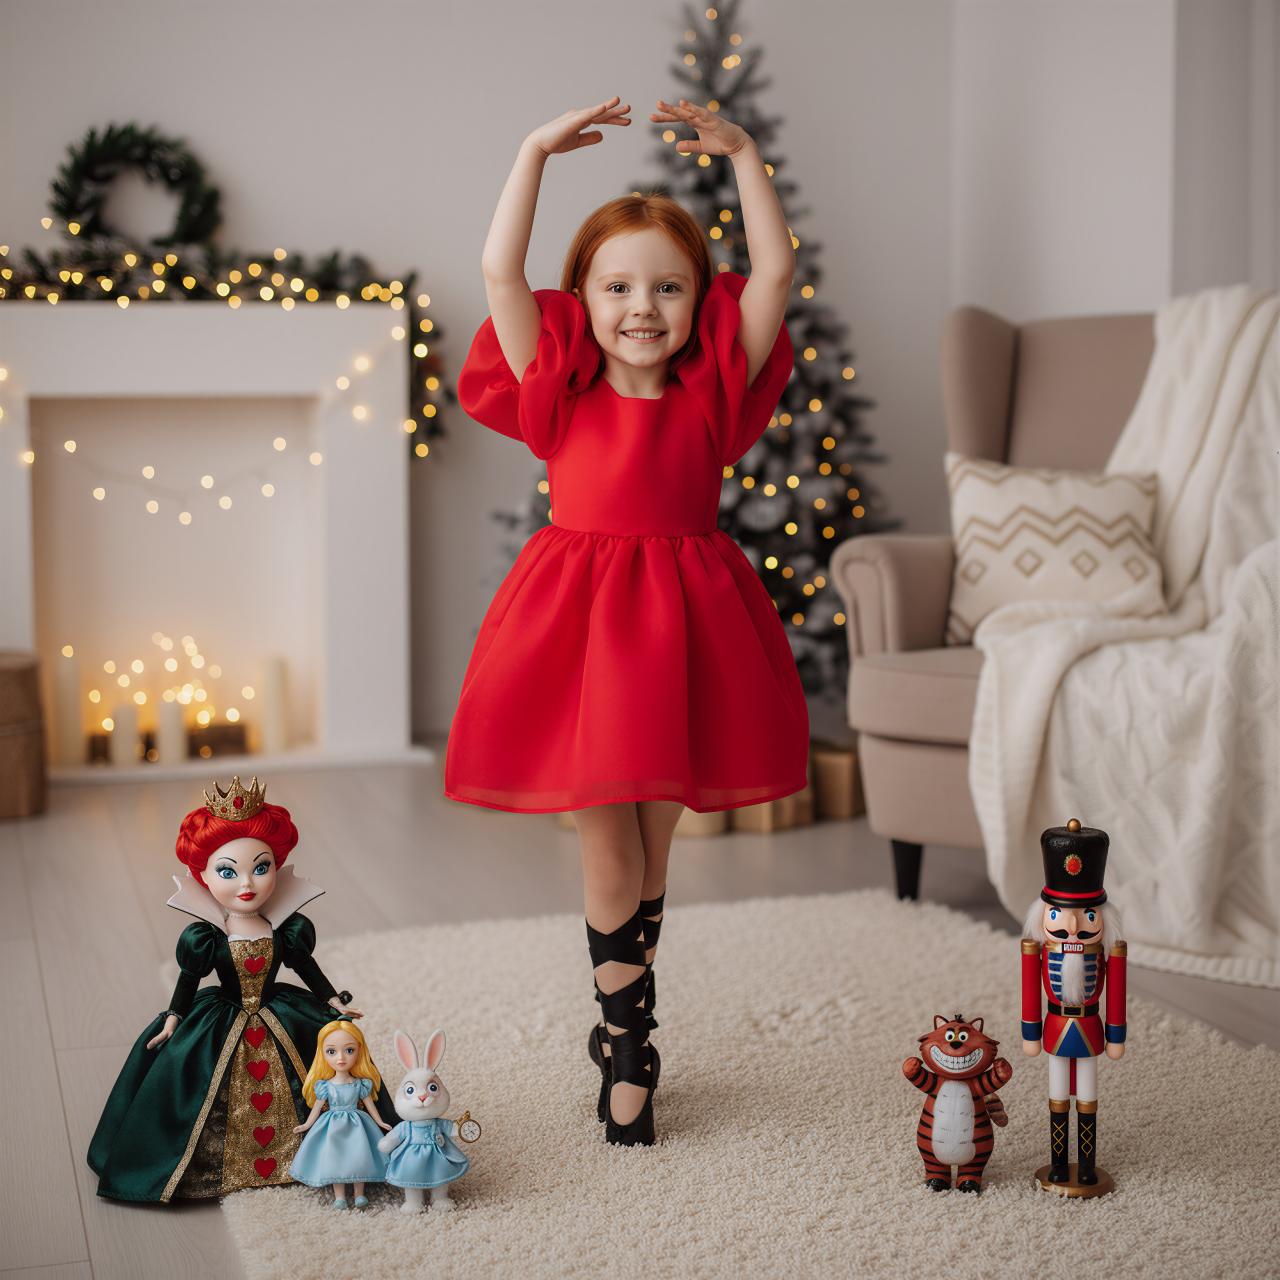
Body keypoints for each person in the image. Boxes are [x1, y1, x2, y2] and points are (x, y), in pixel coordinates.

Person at [447, 96, 808, 1146]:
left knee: (654, 844)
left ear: (698, 300)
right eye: (616, 285)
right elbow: (500, 276)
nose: (640, 306)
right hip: (580, 628)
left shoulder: (711, 393)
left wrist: (744, 153)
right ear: (585, 297)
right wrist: (529, 155)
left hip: (685, 625)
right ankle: (628, 1049)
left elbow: (777, 274)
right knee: (608, 843)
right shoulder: (553, 383)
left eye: (666, 286)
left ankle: (620, 1030)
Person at [87, 775, 398, 1201]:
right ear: (203, 876)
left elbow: (305, 965)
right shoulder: (208, 938)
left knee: (331, 1058)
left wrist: (332, 1001)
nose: (247, 883)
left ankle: (325, 1155)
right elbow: (189, 979)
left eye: (261, 867)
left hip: (279, 1008)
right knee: (193, 1085)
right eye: (228, 872)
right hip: (222, 1014)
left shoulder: (285, 930)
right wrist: (174, 1017)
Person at [1021, 818, 1128, 1190]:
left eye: (1087, 916)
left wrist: (1116, 1036)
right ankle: (1055, 1161)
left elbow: (1115, 995)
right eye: (1058, 914)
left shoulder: (1107, 954)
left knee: (1087, 1097)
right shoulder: (1038, 950)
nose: (1071, 924)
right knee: (1056, 1097)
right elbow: (1029, 993)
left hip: (1088, 1027)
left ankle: (1085, 1165)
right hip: (1054, 1026)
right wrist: (1030, 1032)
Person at [290, 1019, 392, 1209]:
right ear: (323, 1054)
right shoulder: (325, 1086)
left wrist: (380, 1122)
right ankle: (340, 1196)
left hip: (357, 1123)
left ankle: (359, 1194)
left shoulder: (361, 1084)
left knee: (359, 1155)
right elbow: (317, 1108)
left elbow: (370, 1106)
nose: (341, 1058)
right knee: (335, 1157)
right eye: (331, 1051)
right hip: (332, 1126)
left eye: (349, 1050)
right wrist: (306, 1125)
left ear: (359, 1051)